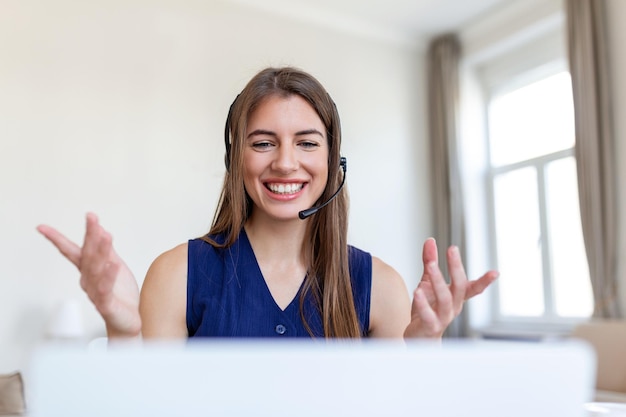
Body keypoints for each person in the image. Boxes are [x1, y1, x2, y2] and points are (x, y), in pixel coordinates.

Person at [37, 66, 498, 340]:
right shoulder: (175, 275)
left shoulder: (382, 286)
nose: (285, 162)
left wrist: (423, 352)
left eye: (307, 143)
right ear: (235, 159)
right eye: (262, 143)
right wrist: (124, 331)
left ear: (334, 161)